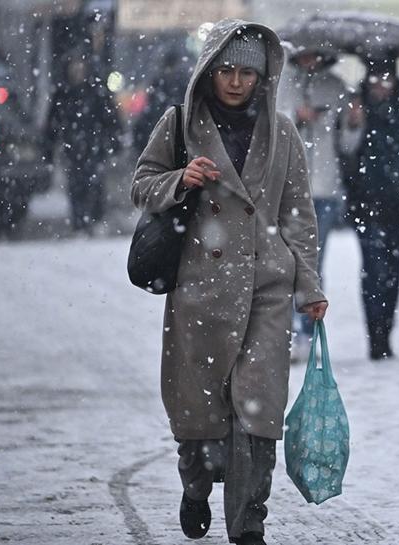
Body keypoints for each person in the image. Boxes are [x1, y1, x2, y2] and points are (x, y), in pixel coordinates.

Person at [130, 20, 327, 544]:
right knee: (199, 413)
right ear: (209, 72)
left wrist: (310, 285)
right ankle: (196, 486)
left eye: (247, 72)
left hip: (265, 287)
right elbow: (141, 185)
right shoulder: (179, 124)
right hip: (201, 287)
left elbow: (298, 216)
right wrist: (179, 180)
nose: (236, 82)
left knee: (258, 413)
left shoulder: (282, 132)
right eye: (226, 71)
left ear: (263, 77)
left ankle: (248, 525)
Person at [342, 57, 399, 360]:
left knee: (392, 272)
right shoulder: (356, 107)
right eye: (376, 80)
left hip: (398, 204)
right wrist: (354, 124)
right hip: (365, 203)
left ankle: (385, 333)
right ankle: (375, 338)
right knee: (373, 270)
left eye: (387, 80)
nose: (382, 87)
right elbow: (346, 152)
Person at [281, 49, 362, 358]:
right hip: (287, 191)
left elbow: (347, 145)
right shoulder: (282, 86)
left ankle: (307, 332)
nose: (310, 60)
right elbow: (271, 133)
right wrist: (295, 117)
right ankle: (284, 331)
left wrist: (354, 123)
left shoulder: (337, 87)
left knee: (313, 265)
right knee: (285, 264)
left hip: (325, 191)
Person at [50, 45, 119, 233]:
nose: (77, 69)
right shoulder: (63, 93)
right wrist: (49, 145)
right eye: (74, 65)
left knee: (94, 183)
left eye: (80, 65)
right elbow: (53, 123)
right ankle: (80, 221)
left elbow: (110, 119)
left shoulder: (96, 91)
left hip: (94, 145)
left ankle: (93, 218)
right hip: (72, 148)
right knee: (76, 184)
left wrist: (113, 141)